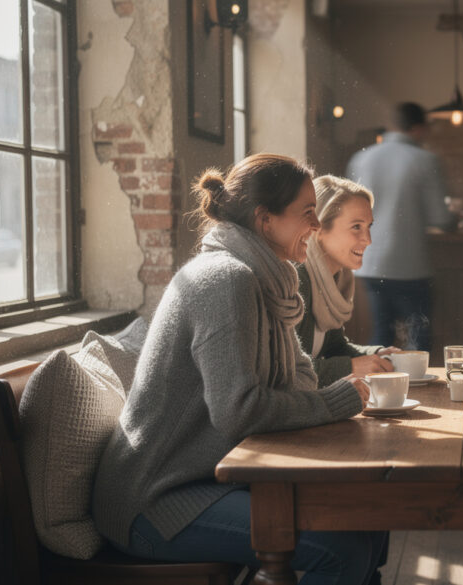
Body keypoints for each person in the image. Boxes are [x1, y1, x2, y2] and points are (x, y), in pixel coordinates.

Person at [92, 154, 387, 583]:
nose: (317, 227)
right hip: (158, 501)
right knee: (342, 550)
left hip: (210, 480)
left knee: (367, 517)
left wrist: (321, 398)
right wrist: (333, 400)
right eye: (309, 215)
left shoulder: (272, 280)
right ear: (265, 221)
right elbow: (238, 410)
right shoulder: (226, 281)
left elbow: (299, 377)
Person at [347, 102, 456, 351]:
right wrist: (454, 219)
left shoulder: (362, 158)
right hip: (409, 265)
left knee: (381, 335)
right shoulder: (425, 160)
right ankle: (420, 389)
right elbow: (441, 218)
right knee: (418, 338)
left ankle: (376, 389)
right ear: (418, 128)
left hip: (370, 262)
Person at [296, 176, 401, 387]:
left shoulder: (334, 277)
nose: (368, 240)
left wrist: (377, 353)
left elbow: (335, 347)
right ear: (319, 229)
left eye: (369, 226)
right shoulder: (298, 279)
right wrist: (351, 368)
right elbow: (288, 371)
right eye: (356, 227)